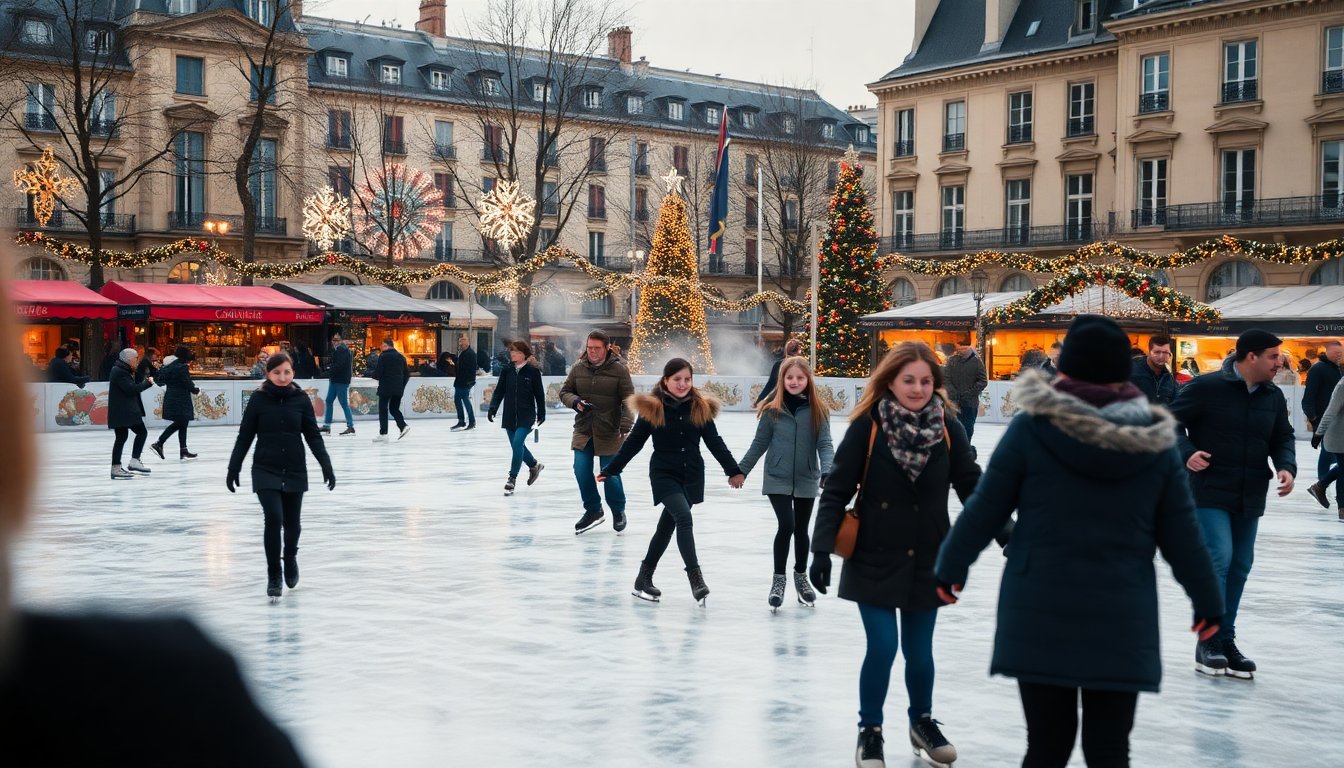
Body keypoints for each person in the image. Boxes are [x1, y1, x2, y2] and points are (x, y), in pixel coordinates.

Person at [0, 288, 306, 766]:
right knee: (142, 434)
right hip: (156, 421)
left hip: (201, 433)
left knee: (151, 435)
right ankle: (139, 460)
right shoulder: (168, 674)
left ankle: (151, 456)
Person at [933, 315, 1223, 768]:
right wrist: (1208, 604)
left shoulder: (1033, 427)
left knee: (1047, 746)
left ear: (1066, 370)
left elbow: (986, 506)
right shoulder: (1155, 438)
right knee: (1109, 750)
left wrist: (949, 570)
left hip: (1039, 602)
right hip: (1121, 608)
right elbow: (1181, 534)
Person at [808, 341, 979, 768]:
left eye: (926, 381)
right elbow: (836, 492)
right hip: (874, 554)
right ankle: (870, 731)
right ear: (890, 381)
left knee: (920, 651)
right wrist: (821, 550)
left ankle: (922, 723)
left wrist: (1007, 530)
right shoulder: (868, 426)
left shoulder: (947, 428)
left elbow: (973, 486)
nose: (918, 388)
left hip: (928, 555)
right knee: (883, 646)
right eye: (909, 380)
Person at [1169, 328, 1295, 680]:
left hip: (1250, 491)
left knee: (1240, 565)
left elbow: (1282, 436)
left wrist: (1286, 466)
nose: (1279, 361)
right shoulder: (1206, 388)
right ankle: (1207, 641)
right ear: (1250, 356)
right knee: (1219, 560)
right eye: (1273, 355)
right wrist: (1187, 453)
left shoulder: (1272, 395)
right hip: (1209, 489)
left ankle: (1225, 639)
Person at [599, 358, 745, 605]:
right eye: (677, 379)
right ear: (665, 380)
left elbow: (714, 442)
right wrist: (613, 468)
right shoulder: (654, 408)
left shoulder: (700, 408)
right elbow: (634, 442)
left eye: (687, 379)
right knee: (683, 518)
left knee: (666, 527)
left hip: (691, 476)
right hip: (664, 474)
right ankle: (695, 578)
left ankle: (643, 578)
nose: (682, 384)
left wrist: (733, 470)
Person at [227, 352, 336, 599]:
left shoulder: (301, 400)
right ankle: (274, 572)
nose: (282, 377)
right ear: (268, 374)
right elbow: (245, 436)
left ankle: (290, 557)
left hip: (295, 467)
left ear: (293, 373)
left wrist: (326, 465)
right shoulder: (258, 400)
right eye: (277, 372)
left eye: (286, 372)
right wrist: (234, 467)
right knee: (274, 518)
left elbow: (312, 436)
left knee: (292, 523)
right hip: (265, 467)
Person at [737, 356, 833, 610]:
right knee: (787, 524)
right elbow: (759, 444)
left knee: (801, 529)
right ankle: (778, 580)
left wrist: (827, 471)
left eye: (800, 378)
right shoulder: (772, 410)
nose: (794, 381)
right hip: (777, 477)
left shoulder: (818, 410)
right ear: (782, 380)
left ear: (808, 380)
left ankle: (801, 578)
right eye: (790, 377)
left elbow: (824, 444)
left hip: (806, 477)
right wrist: (741, 471)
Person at [560, 330, 635, 534]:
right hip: (584, 428)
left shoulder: (619, 370)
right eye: (589, 348)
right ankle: (593, 510)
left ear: (607, 348)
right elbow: (565, 392)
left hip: (611, 429)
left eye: (596, 348)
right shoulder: (578, 368)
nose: (592, 352)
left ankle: (618, 510)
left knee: (609, 473)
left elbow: (629, 399)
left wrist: (626, 424)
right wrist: (575, 402)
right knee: (581, 468)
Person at [488, 340, 546, 496]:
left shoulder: (533, 372)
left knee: (517, 442)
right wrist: (493, 407)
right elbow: (499, 391)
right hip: (509, 415)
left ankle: (511, 478)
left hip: (526, 415)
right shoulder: (507, 371)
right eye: (511, 351)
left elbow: (539, 394)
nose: (512, 354)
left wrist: (542, 412)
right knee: (517, 446)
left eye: (516, 351)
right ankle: (534, 465)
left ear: (524, 354)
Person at [1302, 341, 1342, 510]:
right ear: (1327, 352)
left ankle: (1322, 486)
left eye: (1340, 353)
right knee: (1331, 459)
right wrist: (1315, 421)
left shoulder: (1338, 370)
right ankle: (1322, 485)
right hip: (1330, 425)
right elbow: (1309, 397)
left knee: (1340, 464)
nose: (1338, 355)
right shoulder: (1318, 369)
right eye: (1335, 353)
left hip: (1337, 425)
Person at [108, 347, 154, 480]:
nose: (137, 361)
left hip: (123, 411)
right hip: (124, 411)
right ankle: (131, 462)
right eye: (135, 358)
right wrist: (147, 383)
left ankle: (120, 466)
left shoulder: (123, 370)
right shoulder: (120, 371)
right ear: (128, 359)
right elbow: (130, 389)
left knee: (123, 437)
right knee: (139, 433)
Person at [149, 345, 200, 462]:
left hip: (172, 397)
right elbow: (186, 382)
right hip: (180, 399)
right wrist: (195, 389)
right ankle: (159, 443)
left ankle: (183, 450)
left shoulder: (171, 366)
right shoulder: (181, 367)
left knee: (183, 422)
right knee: (180, 422)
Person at [1312, 374, 1344, 521]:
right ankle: (1342, 508)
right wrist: (1319, 433)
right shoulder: (1342, 386)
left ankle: (1320, 485)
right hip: (1339, 436)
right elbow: (1331, 411)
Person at [943, 337, 987, 440]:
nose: (961, 351)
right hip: (953, 402)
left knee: (968, 428)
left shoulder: (977, 362)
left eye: (964, 349)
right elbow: (946, 378)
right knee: (952, 428)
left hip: (969, 403)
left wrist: (969, 393)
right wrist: (954, 393)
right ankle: (954, 450)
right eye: (960, 349)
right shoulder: (952, 361)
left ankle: (966, 449)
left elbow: (983, 381)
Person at [370, 338, 410, 443]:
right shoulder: (401, 357)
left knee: (383, 409)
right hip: (398, 388)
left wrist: (371, 375)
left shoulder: (383, 356)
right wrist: (402, 385)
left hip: (385, 388)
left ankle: (383, 433)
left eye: (383, 346)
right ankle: (403, 426)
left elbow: (378, 372)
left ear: (387, 345)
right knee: (394, 409)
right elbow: (407, 374)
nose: (382, 348)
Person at [320, 334, 355, 436]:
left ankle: (350, 426)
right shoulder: (339, 350)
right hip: (336, 380)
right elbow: (338, 365)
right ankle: (327, 425)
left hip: (340, 380)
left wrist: (329, 370)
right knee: (329, 401)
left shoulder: (342, 350)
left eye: (337, 340)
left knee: (343, 402)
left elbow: (340, 365)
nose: (334, 342)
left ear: (341, 340)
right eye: (333, 339)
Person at [1130, 334, 1177, 405]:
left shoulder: (1169, 379)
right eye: (1157, 352)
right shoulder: (1133, 373)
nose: (1161, 356)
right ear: (1149, 352)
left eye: (1165, 352)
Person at [756, 339, 803, 405]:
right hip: (798, 401)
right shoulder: (803, 365)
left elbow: (770, 384)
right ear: (799, 351)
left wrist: (759, 399)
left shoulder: (779, 364)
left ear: (786, 350)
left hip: (783, 400)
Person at [451, 335, 479, 432]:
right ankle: (463, 421)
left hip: (465, 382)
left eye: (461, 342)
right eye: (459, 342)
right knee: (459, 400)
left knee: (465, 400)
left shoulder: (470, 354)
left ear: (466, 342)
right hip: (461, 382)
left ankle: (470, 421)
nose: (460, 345)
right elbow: (461, 366)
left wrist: (468, 382)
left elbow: (469, 369)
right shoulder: (464, 353)